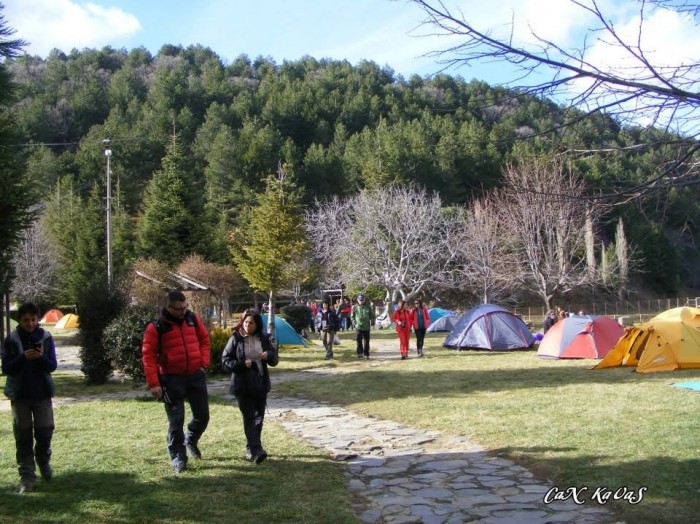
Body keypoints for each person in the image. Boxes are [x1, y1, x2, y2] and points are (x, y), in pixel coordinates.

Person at [141, 290, 211, 474]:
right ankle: (178, 457)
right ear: (168, 307)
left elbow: (204, 340)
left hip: (195, 375)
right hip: (171, 378)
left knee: (202, 416)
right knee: (176, 420)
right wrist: (154, 383)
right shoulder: (156, 327)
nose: (183, 311)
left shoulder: (192, 319)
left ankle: (191, 439)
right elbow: (148, 356)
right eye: (179, 309)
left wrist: (203, 363)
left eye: (185, 307)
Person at [1, 302, 57, 494]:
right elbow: (6, 368)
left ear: (38, 319)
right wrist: (23, 357)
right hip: (20, 395)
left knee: (45, 432)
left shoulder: (46, 337)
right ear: (20, 320)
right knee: (23, 437)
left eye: (34, 319)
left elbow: (52, 366)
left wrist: (40, 357)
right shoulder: (12, 339)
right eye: (26, 320)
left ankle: (43, 460)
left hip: (42, 394)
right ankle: (27, 478)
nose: (30, 324)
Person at [222, 309, 279, 464]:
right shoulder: (236, 338)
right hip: (242, 386)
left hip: (260, 384)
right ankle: (255, 449)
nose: (247, 325)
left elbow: (275, 360)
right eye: (245, 322)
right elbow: (225, 361)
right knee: (249, 417)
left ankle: (253, 447)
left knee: (258, 418)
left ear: (257, 324)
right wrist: (241, 364)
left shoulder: (264, 338)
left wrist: (269, 355)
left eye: (251, 323)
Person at [351, 294, 375, 359]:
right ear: (357, 300)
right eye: (359, 300)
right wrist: (355, 324)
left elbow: (372, 316)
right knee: (358, 340)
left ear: (364, 300)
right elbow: (352, 317)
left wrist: (372, 323)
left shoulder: (368, 307)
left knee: (366, 341)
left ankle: (366, 353)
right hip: (358, 327)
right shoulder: (355, 307)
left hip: (366, 327)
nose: (361, 301)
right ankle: (359, 353)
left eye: (362, 300)